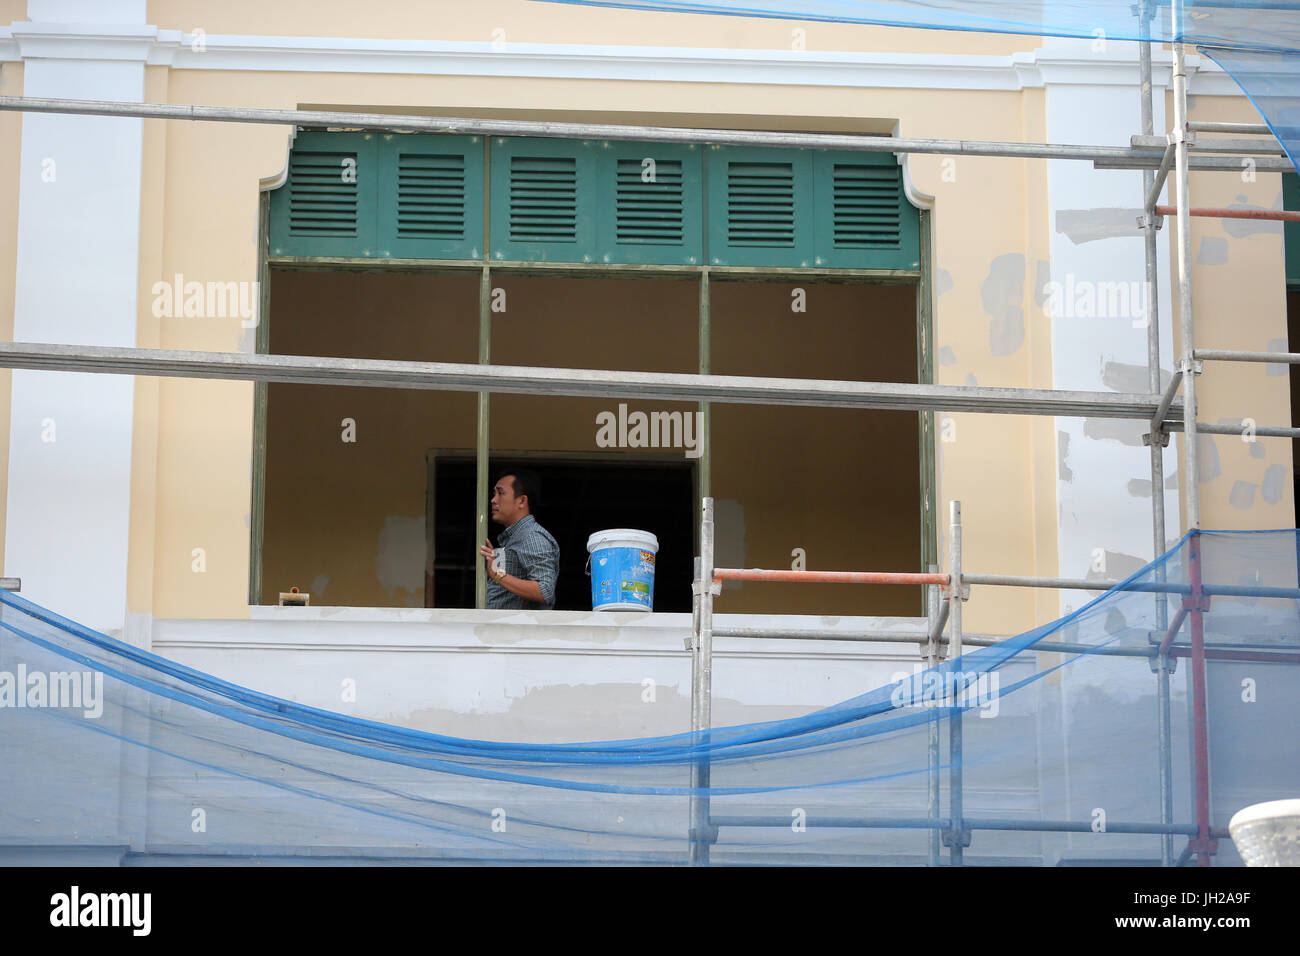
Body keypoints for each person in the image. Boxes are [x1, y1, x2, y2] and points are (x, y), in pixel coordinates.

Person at [480, 469, 560, 610]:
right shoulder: (515, 537)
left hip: (517, 631)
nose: (493, 500)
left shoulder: (531, 536)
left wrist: (497, 575)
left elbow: (544, 590)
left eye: (501, 493)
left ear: (522, 501)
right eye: (494, 494)